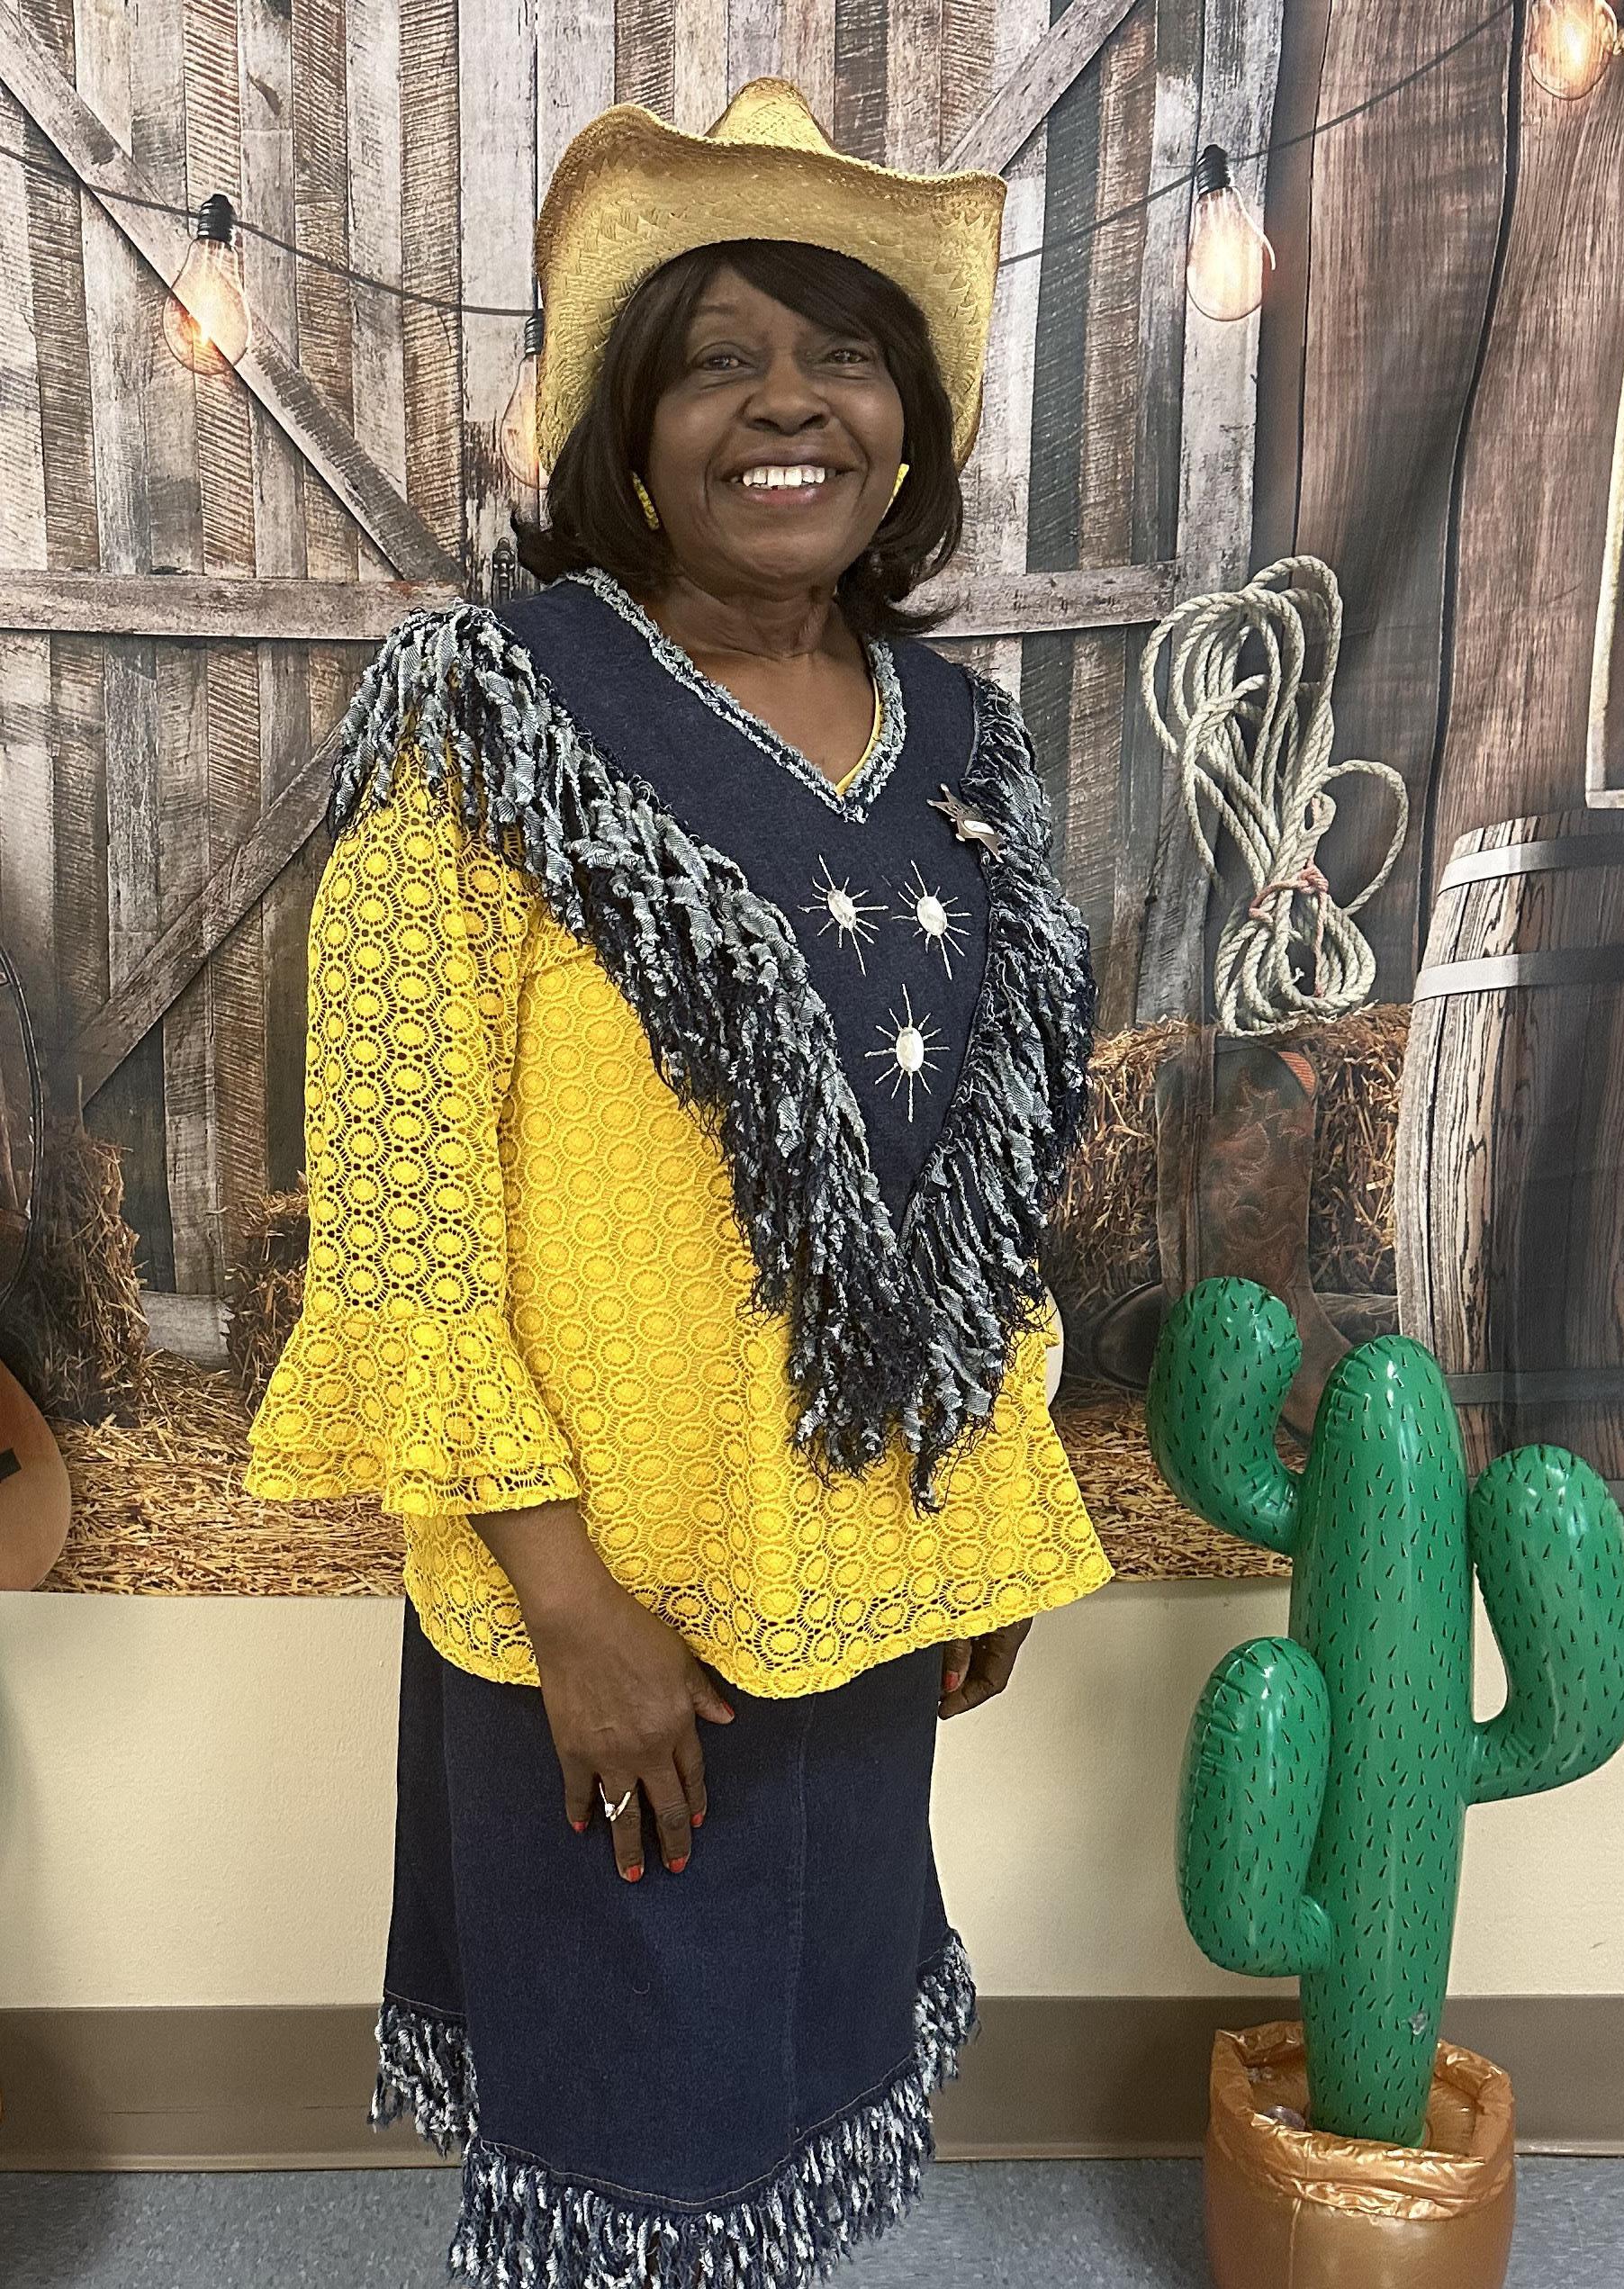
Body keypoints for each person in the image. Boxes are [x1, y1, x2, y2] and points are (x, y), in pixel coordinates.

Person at [244, 75, 1113, 2289]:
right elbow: (404, 1222)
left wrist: (989, 1497)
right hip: (614, 1613)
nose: (790, 401)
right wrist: (570, 1610)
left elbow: (987, 1173)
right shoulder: (488, 720)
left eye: (844, 356)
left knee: (810, 2084)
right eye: (720, 357)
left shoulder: (967, 747)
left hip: (870, 1579)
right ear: (631, 428)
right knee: (627, 2142)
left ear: (909, 429)